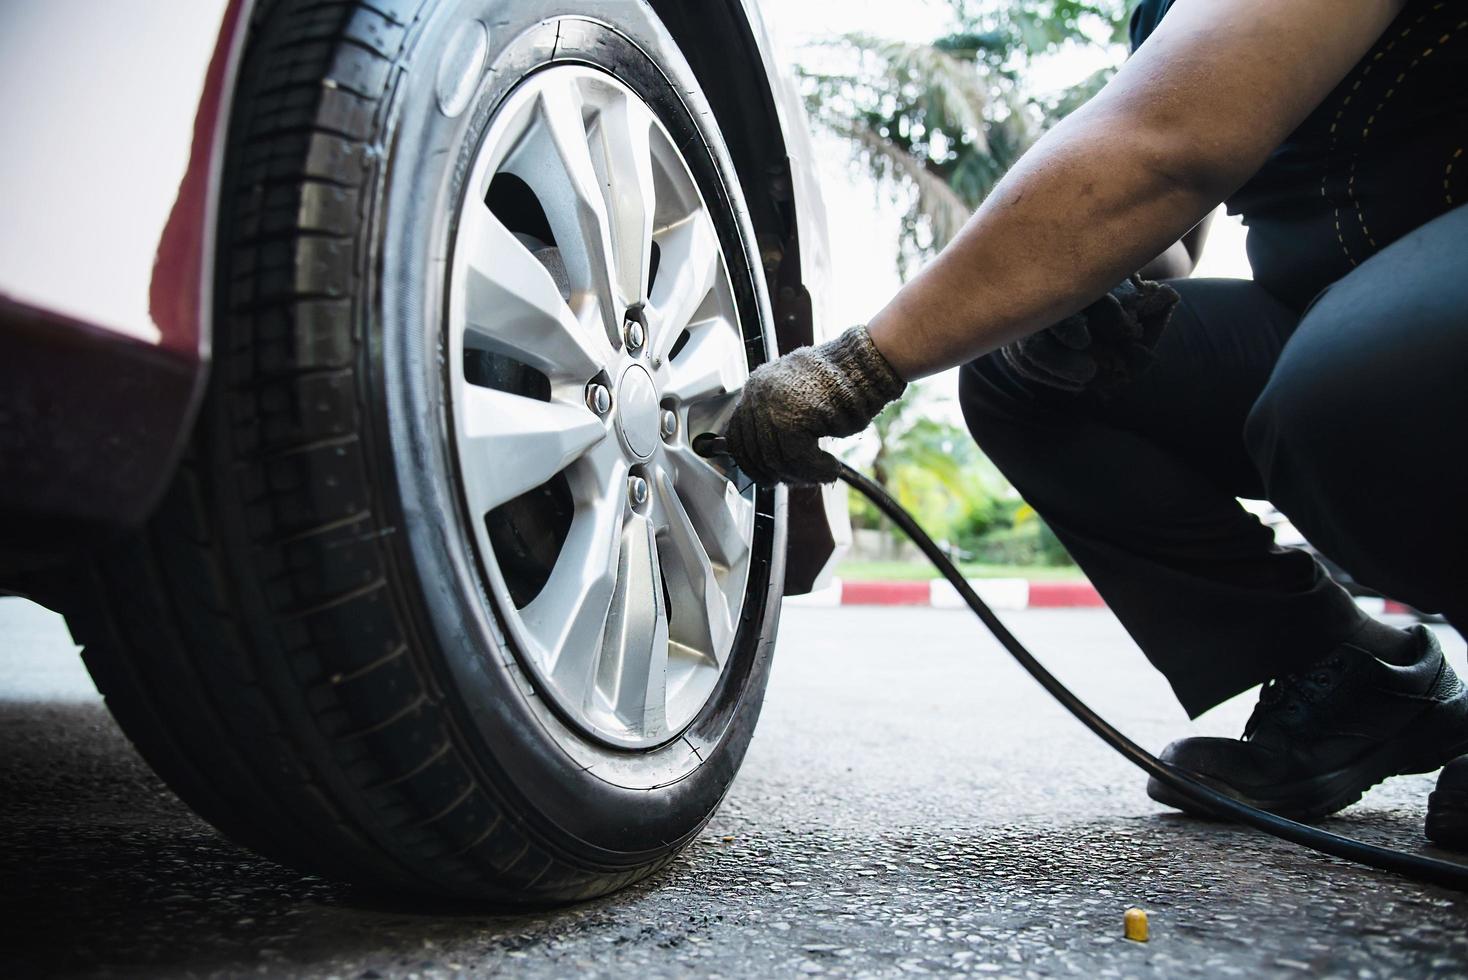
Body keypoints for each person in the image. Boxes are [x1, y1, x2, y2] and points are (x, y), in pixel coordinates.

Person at [723, 0, 1468, 839]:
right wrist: (1072, 293)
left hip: (1425, 316)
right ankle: (1348, 675)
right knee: (1026, 378)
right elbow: (1176, 237)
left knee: (1352, 383)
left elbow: (1167, 149)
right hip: (1344, 318)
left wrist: (861, 363)